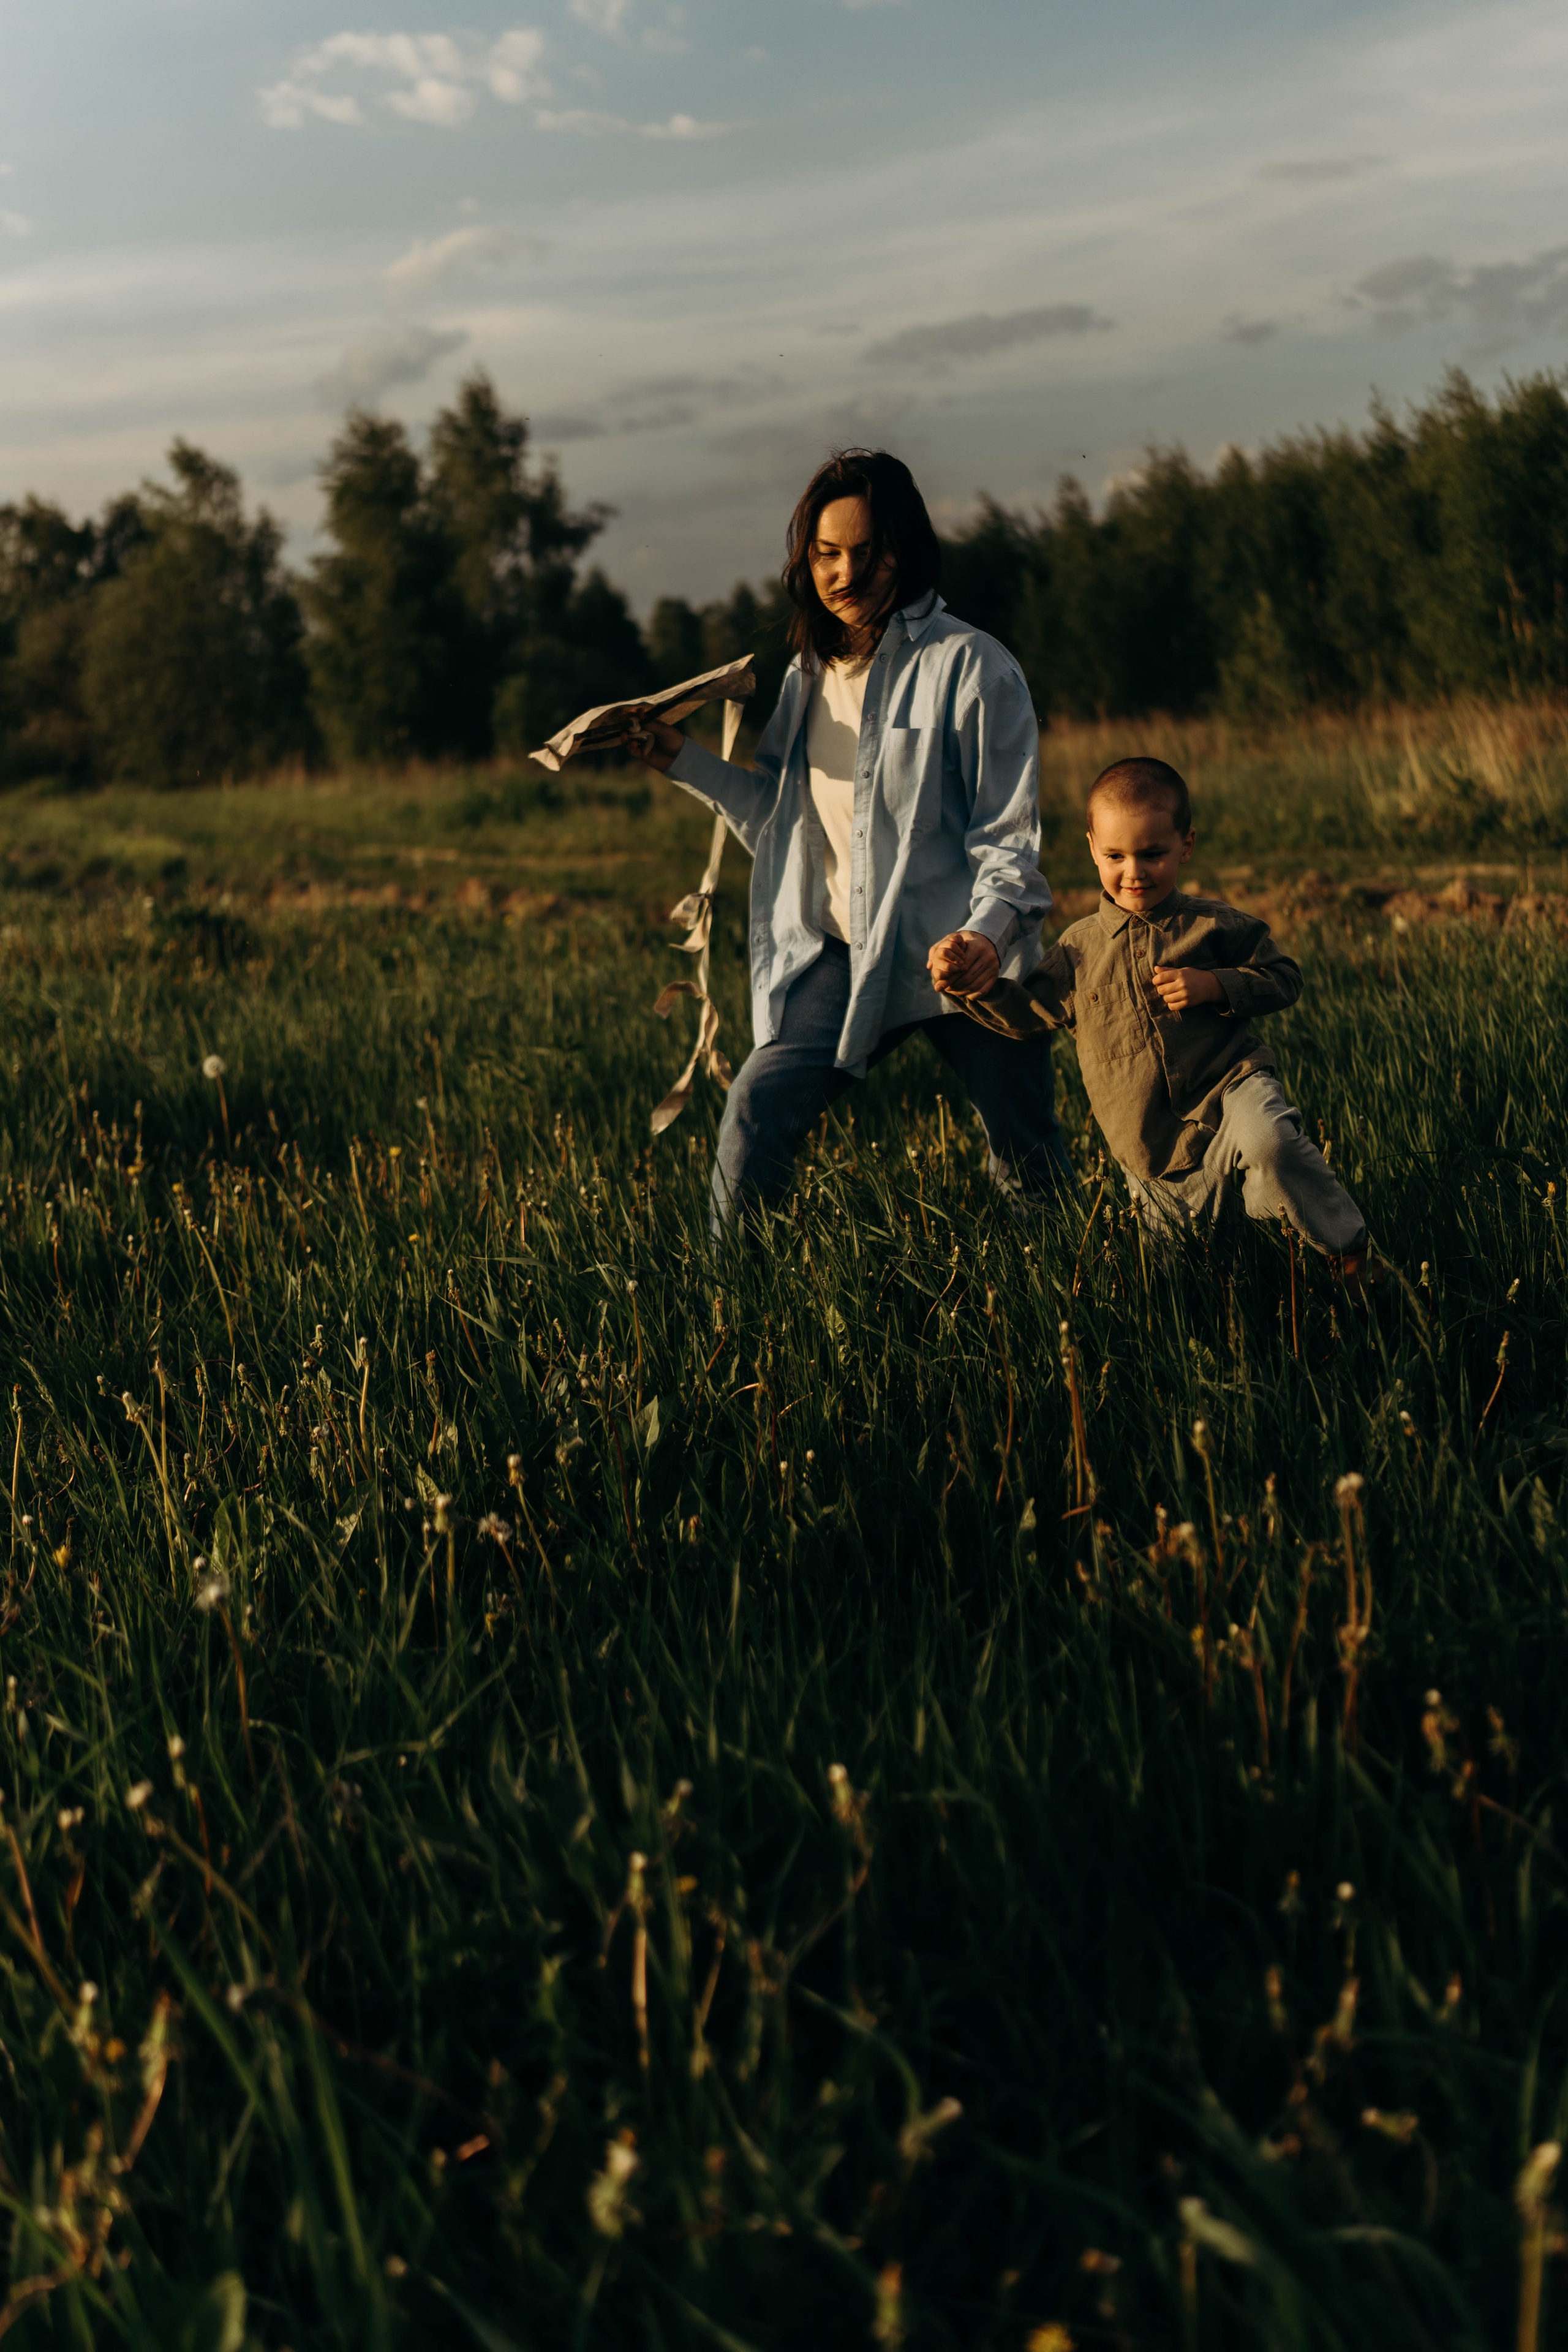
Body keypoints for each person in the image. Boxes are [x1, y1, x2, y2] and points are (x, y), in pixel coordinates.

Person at [630, 448, 1069, 1237]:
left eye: (866, 552)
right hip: (844, 954)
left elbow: (1008, 843)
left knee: (1026, 1156)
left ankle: (1069, 1304)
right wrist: (681, 759)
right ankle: (729, 1306)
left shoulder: (971, 667)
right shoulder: (808, 675)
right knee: (756, 1108)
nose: (845, 573)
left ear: (907, 549)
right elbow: (780, 820)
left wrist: (983, 937)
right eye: (826, 554)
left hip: (961, 960)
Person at [928, 755, 1373, 1280]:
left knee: (1269, 1142)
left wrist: (1215, 985)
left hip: (1230, 1094)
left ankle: (1349, 1256)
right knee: (1178, 1284)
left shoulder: (1212, 925)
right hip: (1151, 1147)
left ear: (1186, 845)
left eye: (1153, 854)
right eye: (1116, 855)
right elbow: (1027, 1013)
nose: (1134, 872)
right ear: (1092, 848)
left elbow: (1284, 976)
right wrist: (970, 989)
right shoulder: (1079, 952)